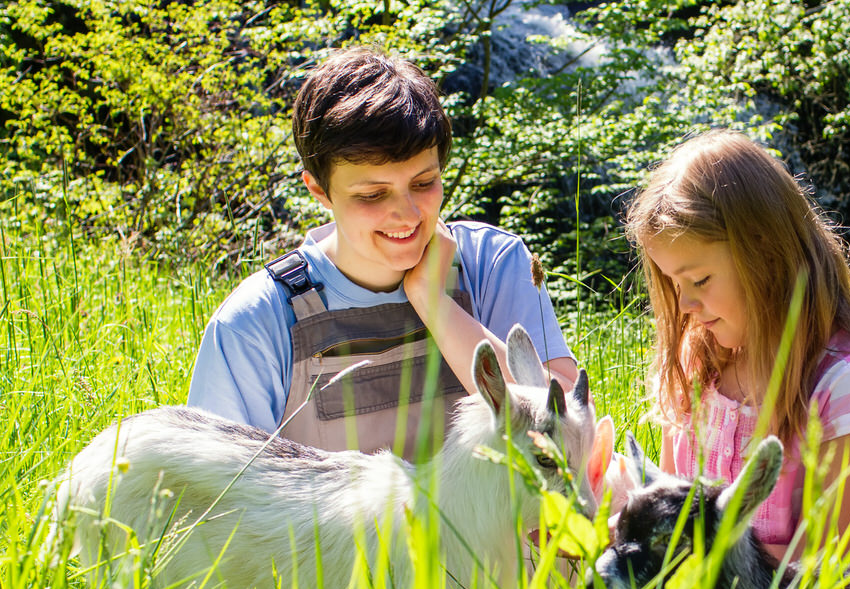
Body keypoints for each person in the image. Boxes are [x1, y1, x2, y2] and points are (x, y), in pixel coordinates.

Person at [188, 46, 577, 459]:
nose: (407, 214)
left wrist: (436, 304)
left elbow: (568, 432)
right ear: (319, 189)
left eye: (424, 183)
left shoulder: (492, 264)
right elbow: (217, 496)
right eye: (373, 194)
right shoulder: (256, 321)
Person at [623, 128, 850, 565]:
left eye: (700, 280)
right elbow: (669, 511)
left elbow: (821, 565)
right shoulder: (698, 367)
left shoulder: (849, 389)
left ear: (765, 254)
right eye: (674, 284)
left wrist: (679, 556)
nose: (685, 304)